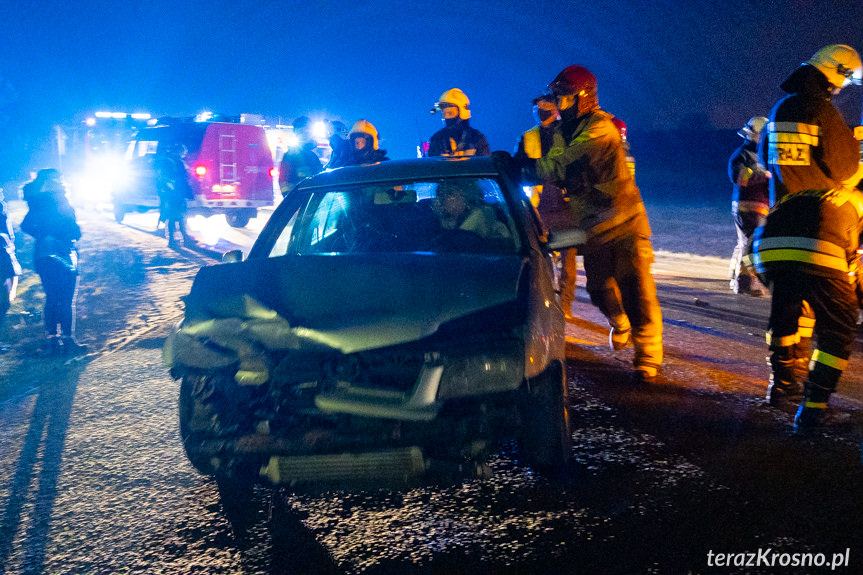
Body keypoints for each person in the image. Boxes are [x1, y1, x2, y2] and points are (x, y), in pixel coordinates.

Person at [748, 45, 863, 431]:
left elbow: (767, 161)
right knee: (840, 323)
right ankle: (813, 409)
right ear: (833, 73)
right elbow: (846, 172)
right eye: (845, 80)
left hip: (777, 232)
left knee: (788, 313)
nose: (843, 89)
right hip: (819, 233)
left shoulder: (781, 110)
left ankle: (781, 388)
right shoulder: (825, 112)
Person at [536, 65, 663, 383]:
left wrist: (525, 166)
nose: (557, 104)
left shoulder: (600, 129)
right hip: (593, 227)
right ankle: (620, 323)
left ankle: (647, 356)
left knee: (636, 289)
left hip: (624, 224)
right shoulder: (564, 131)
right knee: (597, 289)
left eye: (563, 98)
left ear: (583, 98)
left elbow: (560, 164)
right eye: (556, 98)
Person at [514, 94, 577, 319]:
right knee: (543, 257)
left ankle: (566, 304)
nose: (541, 111)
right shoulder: (528, 137)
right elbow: (517, 166)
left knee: (568, 258)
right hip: (538, 207)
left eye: (545, 106)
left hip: (566, 204)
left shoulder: (570, 132)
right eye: (538, 108)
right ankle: (550, 302)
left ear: (555, 108)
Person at [20, 169, 86, 356]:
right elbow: (73, 230)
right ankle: (68, 341)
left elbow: (26, 226)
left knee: (52, 297)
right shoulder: (60, 200)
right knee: (66, 299)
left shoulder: (36, 204)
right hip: (64, 254)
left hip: (43, 254)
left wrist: (42, 235)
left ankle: (53, 341)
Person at [728, 116, 771, 297]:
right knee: (750, 246)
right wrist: (765, 175)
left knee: (744, 244)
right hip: (748, 207)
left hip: (758, 207)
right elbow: (740, 177)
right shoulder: (743, 154)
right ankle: (744, 283)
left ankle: (736, 279)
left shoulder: (761, 154)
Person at [432, 179, 511, 241]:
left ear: (467, 198)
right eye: (438, 194)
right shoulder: (426, 225)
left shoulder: (492, 228)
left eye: (449, 193)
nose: (441, 199)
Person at [428, 88, 490, 157]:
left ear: (463, 112)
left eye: (450, 113)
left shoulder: (476, 137)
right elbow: (432, 165)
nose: (448, 118)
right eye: (444, 113)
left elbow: (486, 164)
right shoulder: (437, 139)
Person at [155, 144, 192, 248]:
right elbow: (177, 178)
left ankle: (181, 238)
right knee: (175, 216)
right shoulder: (171, 162)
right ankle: (174, 240)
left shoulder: (172, 161)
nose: (183, 155)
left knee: (178, 216)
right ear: (178, 152)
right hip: (174, 194)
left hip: (174, 193)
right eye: (182, 153)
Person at [278, 116, 323, 197]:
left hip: (312, 203)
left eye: (307, 132)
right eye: (301, 132)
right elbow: (284, 184)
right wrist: (291, 202)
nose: (304, 135)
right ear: (295, 134)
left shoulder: (313, 156)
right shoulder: (290, 156)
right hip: (300, 204)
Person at [0, 188, 21, 353]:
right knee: (3, 300)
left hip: (4, 253)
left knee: (5, 300)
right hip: (3, 252)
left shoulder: (2, 207)